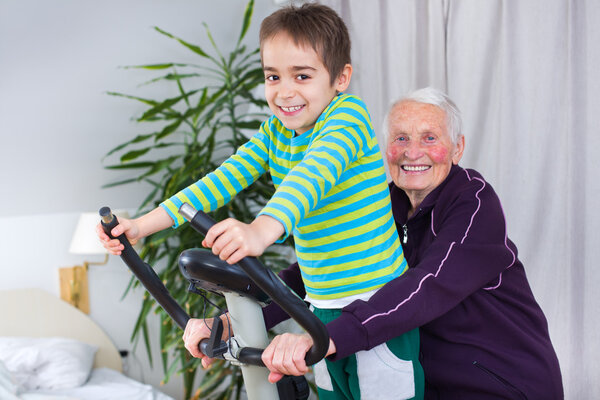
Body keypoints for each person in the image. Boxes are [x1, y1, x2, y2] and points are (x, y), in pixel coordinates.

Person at [98, 4, 423, 399]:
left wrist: (259, 231)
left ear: (341, 78)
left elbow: (310, 178)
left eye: (301, 76)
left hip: (374, 307)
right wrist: (140, 227)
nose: (284, 91)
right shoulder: (276, 133)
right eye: (273, 76)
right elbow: (219, 181)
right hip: (320, 308)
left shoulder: (348, 118)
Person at [258, 87, 564, 399]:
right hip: (426, 386)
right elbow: (318, 271)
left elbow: (428, 284)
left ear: (457, 148)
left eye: (430, 138)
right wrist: (240, 318)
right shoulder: (380, 203)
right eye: (401, 138)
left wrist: (327, 337)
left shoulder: (473, 202)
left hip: (501, 385)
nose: (413, 152)